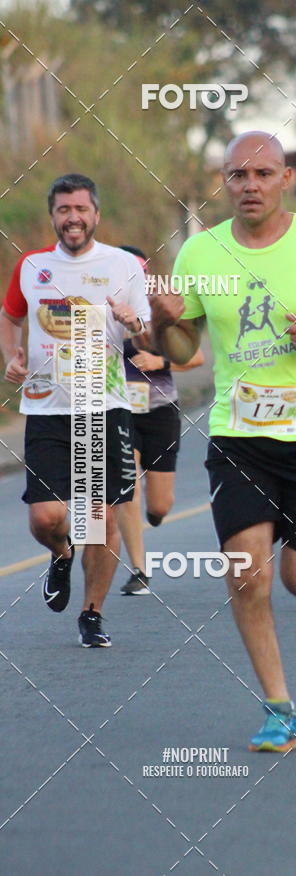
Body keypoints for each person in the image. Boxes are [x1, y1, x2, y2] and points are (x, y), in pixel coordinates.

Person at [150, 131, 296, 751]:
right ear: (223, 182)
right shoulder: (201, 251)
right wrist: (162, 321)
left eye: (261, 174)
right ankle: (279, 707)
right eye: (236, 175)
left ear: (285, 180)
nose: (248, 185)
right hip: (240, 433)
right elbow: (184, 353)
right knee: (245, 572)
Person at [0, 174, 150, 647]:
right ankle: (61, 554)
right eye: (64, 210)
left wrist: (132, 322)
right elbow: (11, 315)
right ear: (53, 216)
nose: (73, 218)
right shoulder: (32, 265)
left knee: (99, 515)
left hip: (103, 407)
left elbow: (145, 334)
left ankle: (92, 613)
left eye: (81, 209)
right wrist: (11, 354)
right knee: (46, 518)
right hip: (46, 407)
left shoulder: (124, 265)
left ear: (96, 214)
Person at [117, 246, 205, 596]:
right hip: (119, 409)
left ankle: (153, 517)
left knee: (158, 505)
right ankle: (139, 569)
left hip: (160, 409)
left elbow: (196, 358)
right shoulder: (103, 309)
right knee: (127, 487)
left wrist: (161, 363)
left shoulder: (161, 312)